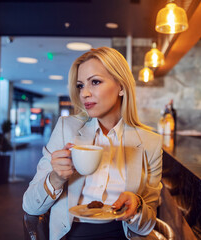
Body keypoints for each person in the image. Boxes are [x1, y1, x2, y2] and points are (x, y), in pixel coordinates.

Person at [23, 47, 163, 240]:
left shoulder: (150, 143)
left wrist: (137, 206)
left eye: (95, 82)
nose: (84, 94)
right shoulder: (66, 129)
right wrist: (56, 178)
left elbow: (147, 226)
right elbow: (30, 206)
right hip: (72, 235)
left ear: (121, 86)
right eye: (80, 85)